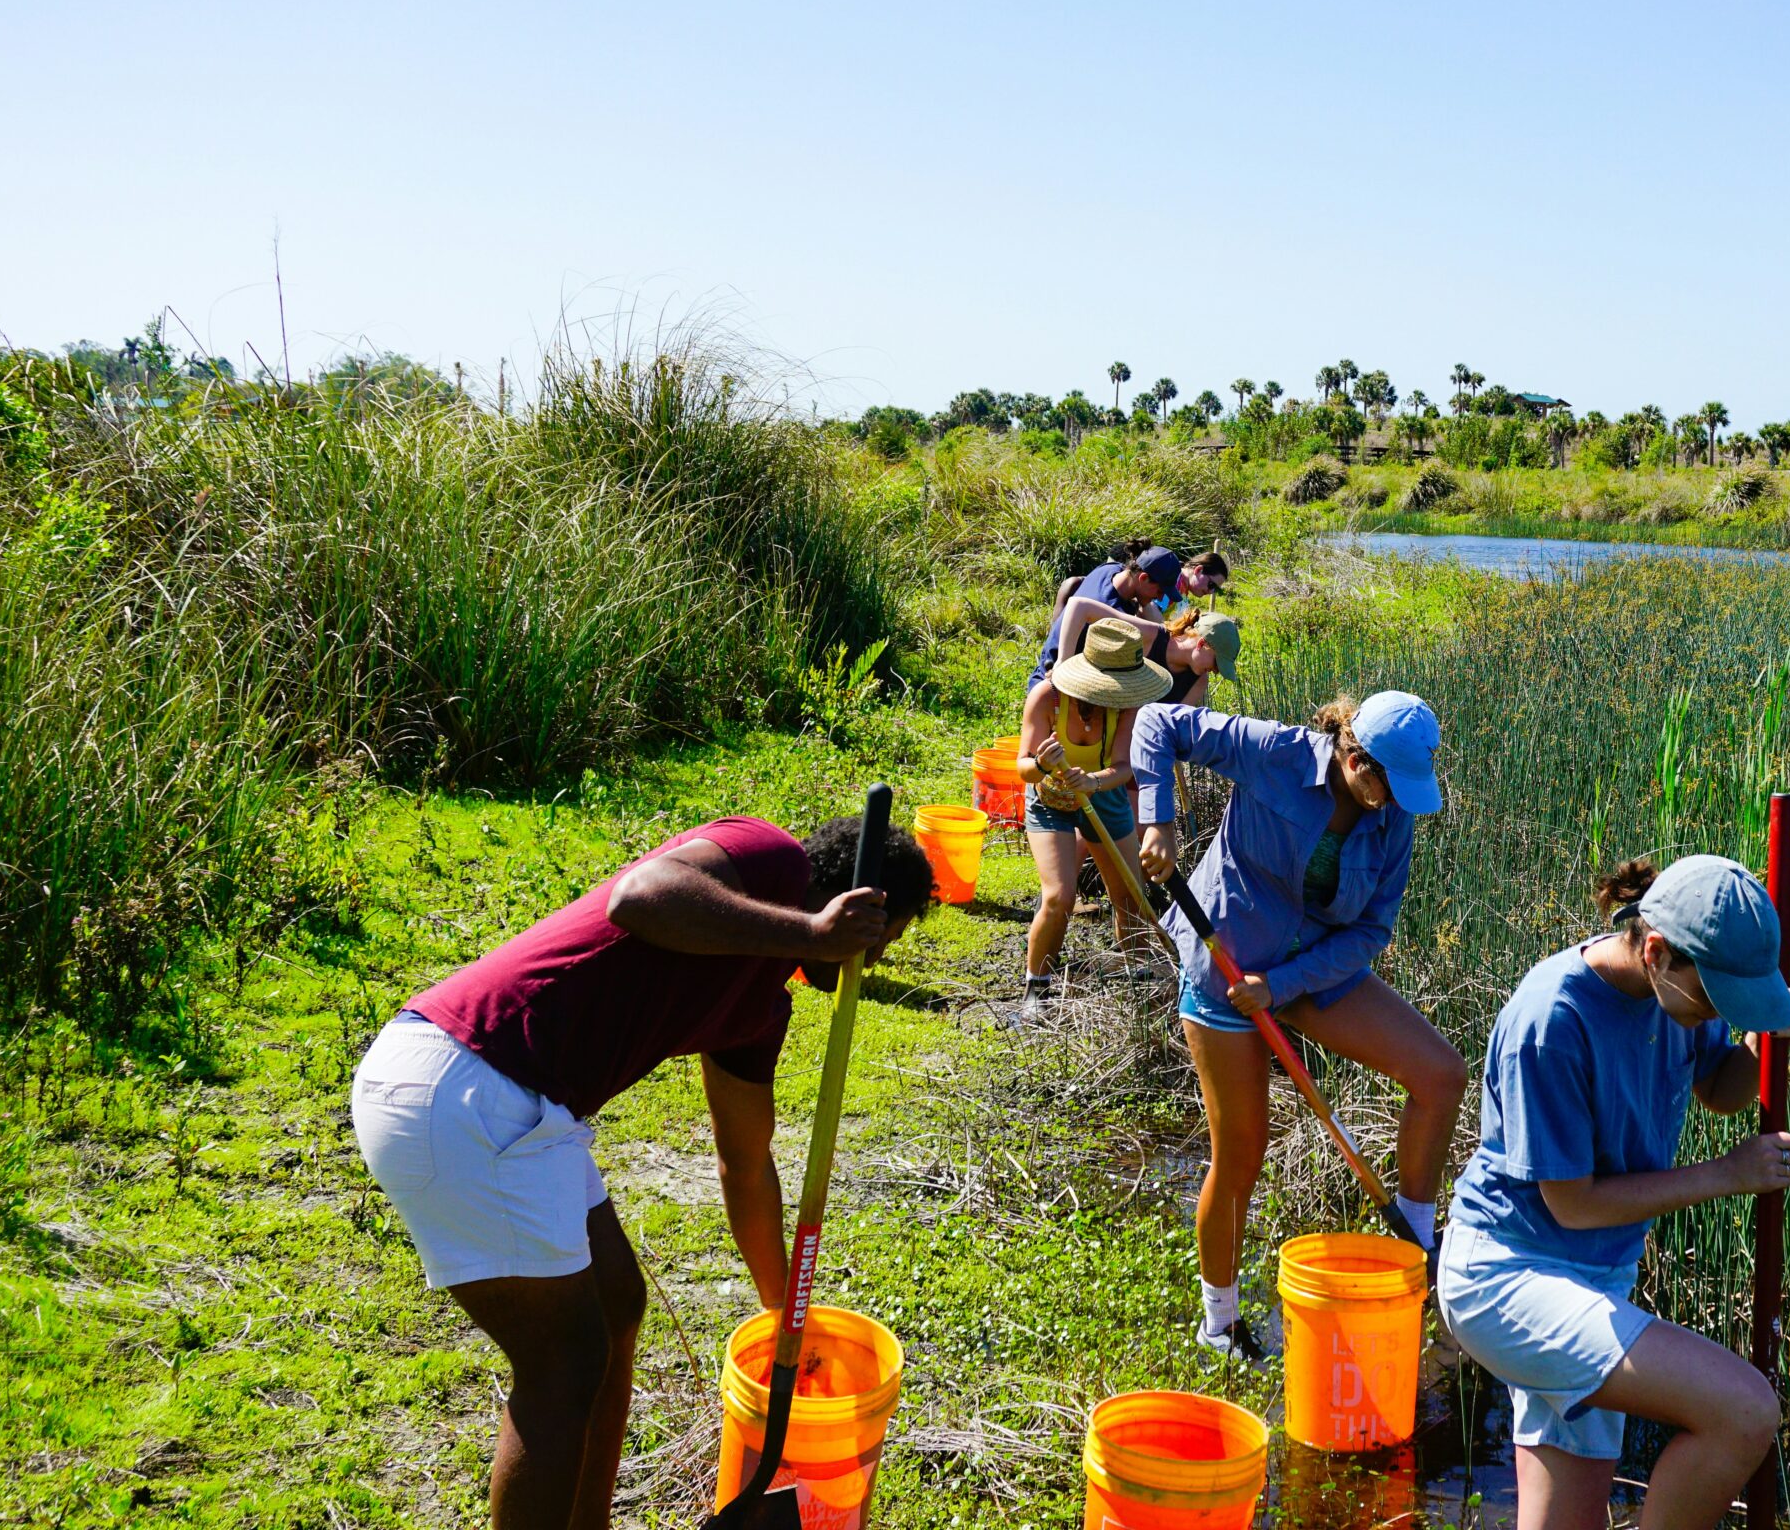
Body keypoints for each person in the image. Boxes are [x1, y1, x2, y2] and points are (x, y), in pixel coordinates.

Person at [347, 813, 936, 1530]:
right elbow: (641, 894)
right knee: (563, 1364)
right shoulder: (770, 859)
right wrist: (811, 934)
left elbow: (744, 1166)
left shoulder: (756, 1009)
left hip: (524, 1110)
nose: (868, 966)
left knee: (616, 1303)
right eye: (880, 940)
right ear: (853, 907)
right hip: (467, 1084)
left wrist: (788, 1317)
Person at [1436, 855, 1790, 1530]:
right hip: (1505, 1277)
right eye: (1717, 996)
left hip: (1595, 1277)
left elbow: (1719, 1090)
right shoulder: (1551, 1021)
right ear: (1658, 951)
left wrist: (1762, 1040)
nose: (1718, 1013)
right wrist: (1726, 1175)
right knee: (1744, 1411)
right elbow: (1572, 1204)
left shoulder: (1675, 995)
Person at [1131, 692, 1468, 1361]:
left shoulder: (1393, 816)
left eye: (1404, 790)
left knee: (1442, 1074)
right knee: (1241, 1154)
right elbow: (1156, 722)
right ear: (1351, 753)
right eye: (1382, 783)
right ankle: (1219, 1322)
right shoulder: (1277, 753)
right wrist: (1157, 823)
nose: (1390, 801)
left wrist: (1282, 987)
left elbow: (1372, 928)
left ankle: (1415, 1246)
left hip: (1309, 972)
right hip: (1225, 965)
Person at [1016, 619, 1177, 1004]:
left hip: (1102, 797)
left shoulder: (1127, 709)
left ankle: (1139, 980)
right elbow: (1022, 766)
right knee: (1059, 897)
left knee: (1130, 894)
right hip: (1049, 798)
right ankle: (1036, 988)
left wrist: (1094, 782)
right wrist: (1040, 764)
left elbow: (1124, 766)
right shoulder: (1047, 698)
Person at [1048, 591, 1240, 709]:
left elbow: (1173, 724)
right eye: (1216, 663)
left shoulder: (1199, 681)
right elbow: (1079, 606)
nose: (1215, 671)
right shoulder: (1150, 636)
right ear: (1202, 644)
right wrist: (1062, 661)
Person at [1034, 545, 1182, 680]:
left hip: (1050, 663)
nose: (1160, 597)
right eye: (1160, 591)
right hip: (1055, 680)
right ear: (1143, 578)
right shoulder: (1111, 614)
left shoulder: (1112, 569)